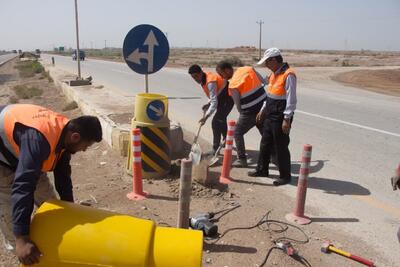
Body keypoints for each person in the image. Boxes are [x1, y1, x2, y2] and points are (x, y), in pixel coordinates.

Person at [0, 104, 102, 265]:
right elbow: (23, 185)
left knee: (51, 205)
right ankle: (22, 254)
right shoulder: (39, 140)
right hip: (3, 162)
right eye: (86, 146)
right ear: (75, 137)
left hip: (24, 153)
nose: (84, 150)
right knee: (12, 213)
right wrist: (21, 238)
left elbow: (62, 174)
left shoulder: (64, 134)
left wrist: (69, 208)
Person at [248, 48, 297, 186]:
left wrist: (287, 119)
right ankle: (262, 169)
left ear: (274, 60)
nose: (266, 66)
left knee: (280, 146)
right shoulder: (274, 74)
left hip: (281, 115)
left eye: (267, 62)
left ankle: (285, 176)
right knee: (265, 143)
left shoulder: (289, 75)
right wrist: (263, 110)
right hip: (270, 113)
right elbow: (269, 95)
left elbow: (291, 99)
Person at [216, 61, 267, 167]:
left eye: (221, 74)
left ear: (227, 70)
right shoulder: (248, 68)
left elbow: (238, 104)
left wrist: (242, 114)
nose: (222, 77)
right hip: (264, 108)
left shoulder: (233, 84)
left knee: (237, 133)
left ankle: (242, 159)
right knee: (265, 134)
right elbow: (263, 82)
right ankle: (273, 156)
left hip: (249, 112)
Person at [188, 64, 234, 154]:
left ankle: (215, 148)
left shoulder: (210, 81)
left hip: (228, 98)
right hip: (221, 97)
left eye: (196, 76)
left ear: (201, 73)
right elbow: (213, 96)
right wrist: (207, 104)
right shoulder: (203, 79)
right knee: (221, 119)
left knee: (216, 122)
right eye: (193, 77)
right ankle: (227, 141)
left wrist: (206, 117)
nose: (195, 79)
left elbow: (214, 101)